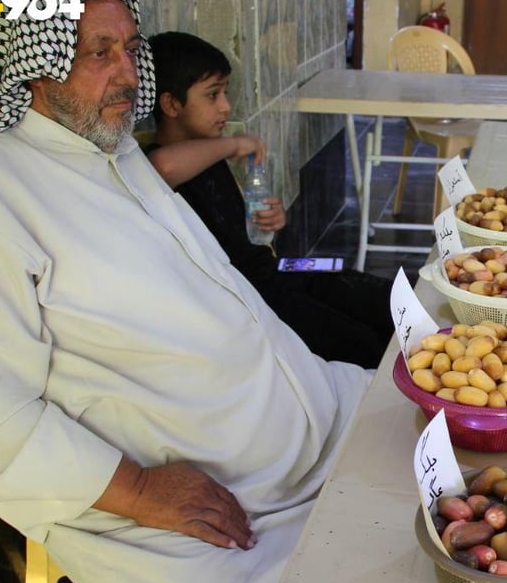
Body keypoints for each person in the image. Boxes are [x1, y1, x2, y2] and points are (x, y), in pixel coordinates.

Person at [0, 0, 371, 583]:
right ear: (35, 63)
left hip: (312, 420)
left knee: (448, 455)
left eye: (129, 49)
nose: (129, 72)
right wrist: (136, 489)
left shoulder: (114, 150)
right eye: (99, 52)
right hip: (191, 522)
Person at [143, 30, 394, 369]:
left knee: (374, 291)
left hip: (278, 266)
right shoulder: (157, 163)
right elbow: (163, 164)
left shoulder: (209, 151)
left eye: (225, 93)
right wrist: (232, 145)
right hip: (247, 292)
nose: (226, 107)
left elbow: (237, 222)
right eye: (213, 95)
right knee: (361, 342)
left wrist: (270, 218)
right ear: (171, 104)